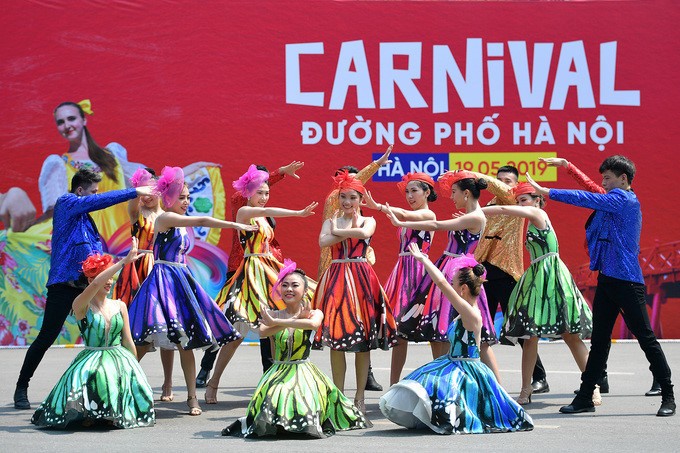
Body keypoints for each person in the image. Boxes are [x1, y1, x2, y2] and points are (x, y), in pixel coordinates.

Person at [526, 155, 676, 417]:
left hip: (628, 281)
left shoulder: (624, 200)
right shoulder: (613, 199)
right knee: (599, 341)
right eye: (603, 178)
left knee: (646, 338)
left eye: (608, 178)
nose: (603, 183)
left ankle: (668, 395)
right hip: (607, 279)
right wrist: (567, 167)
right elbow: (591, 189)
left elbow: (587, 198)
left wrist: (546, 191)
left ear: (623, 179)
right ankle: (585, 397)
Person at [13, 168, 153, 410]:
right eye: (92, 192)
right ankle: (21, 387)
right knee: (47, 336)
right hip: (64, 285)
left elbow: (94, 255)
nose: (95, 196)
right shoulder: (66, 203)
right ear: (80, 191)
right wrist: (135, 191)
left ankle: (109, 390)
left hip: (90, 287)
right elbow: (99, 201)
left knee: (104, 339)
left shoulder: (87, 221)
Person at [127, 167, 255, 416]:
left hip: (181, 280)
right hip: (162, 281)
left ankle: (192, 398)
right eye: (182, 197)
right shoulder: (164, 218)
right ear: (168, 198)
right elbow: (203, 220)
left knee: (185, 342)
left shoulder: (181, 224)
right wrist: (233, 224)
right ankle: (119, 383)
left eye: (188, 198)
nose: (186, 202)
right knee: (143, 341)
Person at [379, 242, 534, 434]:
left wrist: (423, 260)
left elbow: (441, 284)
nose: (450, 285)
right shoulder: (466, 312)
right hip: (452, 361)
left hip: (466, 368)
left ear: (463, 290)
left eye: (454, 283)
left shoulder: (470, 313)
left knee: (440, 385)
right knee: (423, 380)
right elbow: (444, 285)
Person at [206, 165, 318, 405]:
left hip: (269, 271)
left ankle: (275, 384)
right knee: (236, 335)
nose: (264, 197)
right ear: (248, 193)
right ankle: (213, 382)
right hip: (252, 272)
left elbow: (269, 212)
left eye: (267, 192)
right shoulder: (244, 211)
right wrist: (298, 214)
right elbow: (270, 210)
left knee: (277, 324)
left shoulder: (263, 215)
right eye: (260, 193)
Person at [223, 260, 369, 438]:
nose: (289, 289)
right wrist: (283, 320)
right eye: (284, 285)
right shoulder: (272, 313)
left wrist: (277, 322)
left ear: (304, 290)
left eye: (294, 285)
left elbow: (312, 324)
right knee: (275, 397)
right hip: (278, 370)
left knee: (301, 400)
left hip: (303, 371)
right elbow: (262, 332)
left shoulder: (314, 313)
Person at [482, 183, 594, 406]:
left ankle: (593, 386)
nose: (521, 204)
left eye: (524, 199)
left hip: (552, 277)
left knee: (570, 335)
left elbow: (505, 210)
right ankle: (526, 390)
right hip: (536, 277)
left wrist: (479, 210)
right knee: (529, 337)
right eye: (519, 200)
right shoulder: (530, 220)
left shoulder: (538, 213)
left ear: (537, 200)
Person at [384, 170, 501, 381]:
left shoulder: (474, 216)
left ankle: (496, 390)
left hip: (459, 273)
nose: (452, 196)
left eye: (454, 192)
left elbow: (437, 225)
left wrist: (403, 223)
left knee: (476, 339)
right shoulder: (470, 215)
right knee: (441, 331)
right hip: (450, 268)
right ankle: (443, 381)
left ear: (466, 193)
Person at [31, 239, 155, 428]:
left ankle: (106, 413)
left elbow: (128, 341)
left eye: (112, 277)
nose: (110, 281)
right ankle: (90, 413)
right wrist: (123, 262)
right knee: (95, 372)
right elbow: (97, 283)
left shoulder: (120, 305)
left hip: (118, 356)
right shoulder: (80, 306)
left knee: (117, 374)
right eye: (106, 276)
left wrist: (135, 370)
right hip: (91, 356)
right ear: (90, 280)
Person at [312, 170, 398, 414]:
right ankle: (338, 396)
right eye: (342, 197)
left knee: (363, 341)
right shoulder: (330, 221)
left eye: (352, 197)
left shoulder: (368, 220)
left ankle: (359, 397)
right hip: (337, 279)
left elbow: (363, 234)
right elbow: (322, 243)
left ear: (360, 200)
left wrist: (337, 233)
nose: (347, 202)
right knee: (336, 340)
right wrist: (338, 232)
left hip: (362, 279)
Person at [471, 166, 551, 394]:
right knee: (477, 327)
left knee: (521, 329)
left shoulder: (515, 202)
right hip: (483, 271)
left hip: (506, 272)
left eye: (508, 181)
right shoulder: (487, 206)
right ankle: (481, 379)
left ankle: (539, 377)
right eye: (500, 180)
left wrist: (474, 174)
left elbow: (503, 190)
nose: (503, 183)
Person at [361, 172, 437, 385]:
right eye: (407, 191)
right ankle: (394, 385)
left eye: (414, 191)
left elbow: (403, 213)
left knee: (431, 332)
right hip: (402, 272)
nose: (410, 196)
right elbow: (404, 214)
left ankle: (443, 383)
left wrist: (378, 207)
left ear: (427, 192)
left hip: (419, 272)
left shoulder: (428, 216)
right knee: (399, 333)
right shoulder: (409, 216)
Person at [112, 167, 175, 402]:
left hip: (161, 270)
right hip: (136, 271)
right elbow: (132, 200)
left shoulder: (169, 215)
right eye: (143, 188)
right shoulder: (137, 212)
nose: (147, 194)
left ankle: (168, 382)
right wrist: (138, 188)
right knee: (131, 328)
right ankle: (124, 377)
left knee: (166, 327)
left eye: (152, 189)